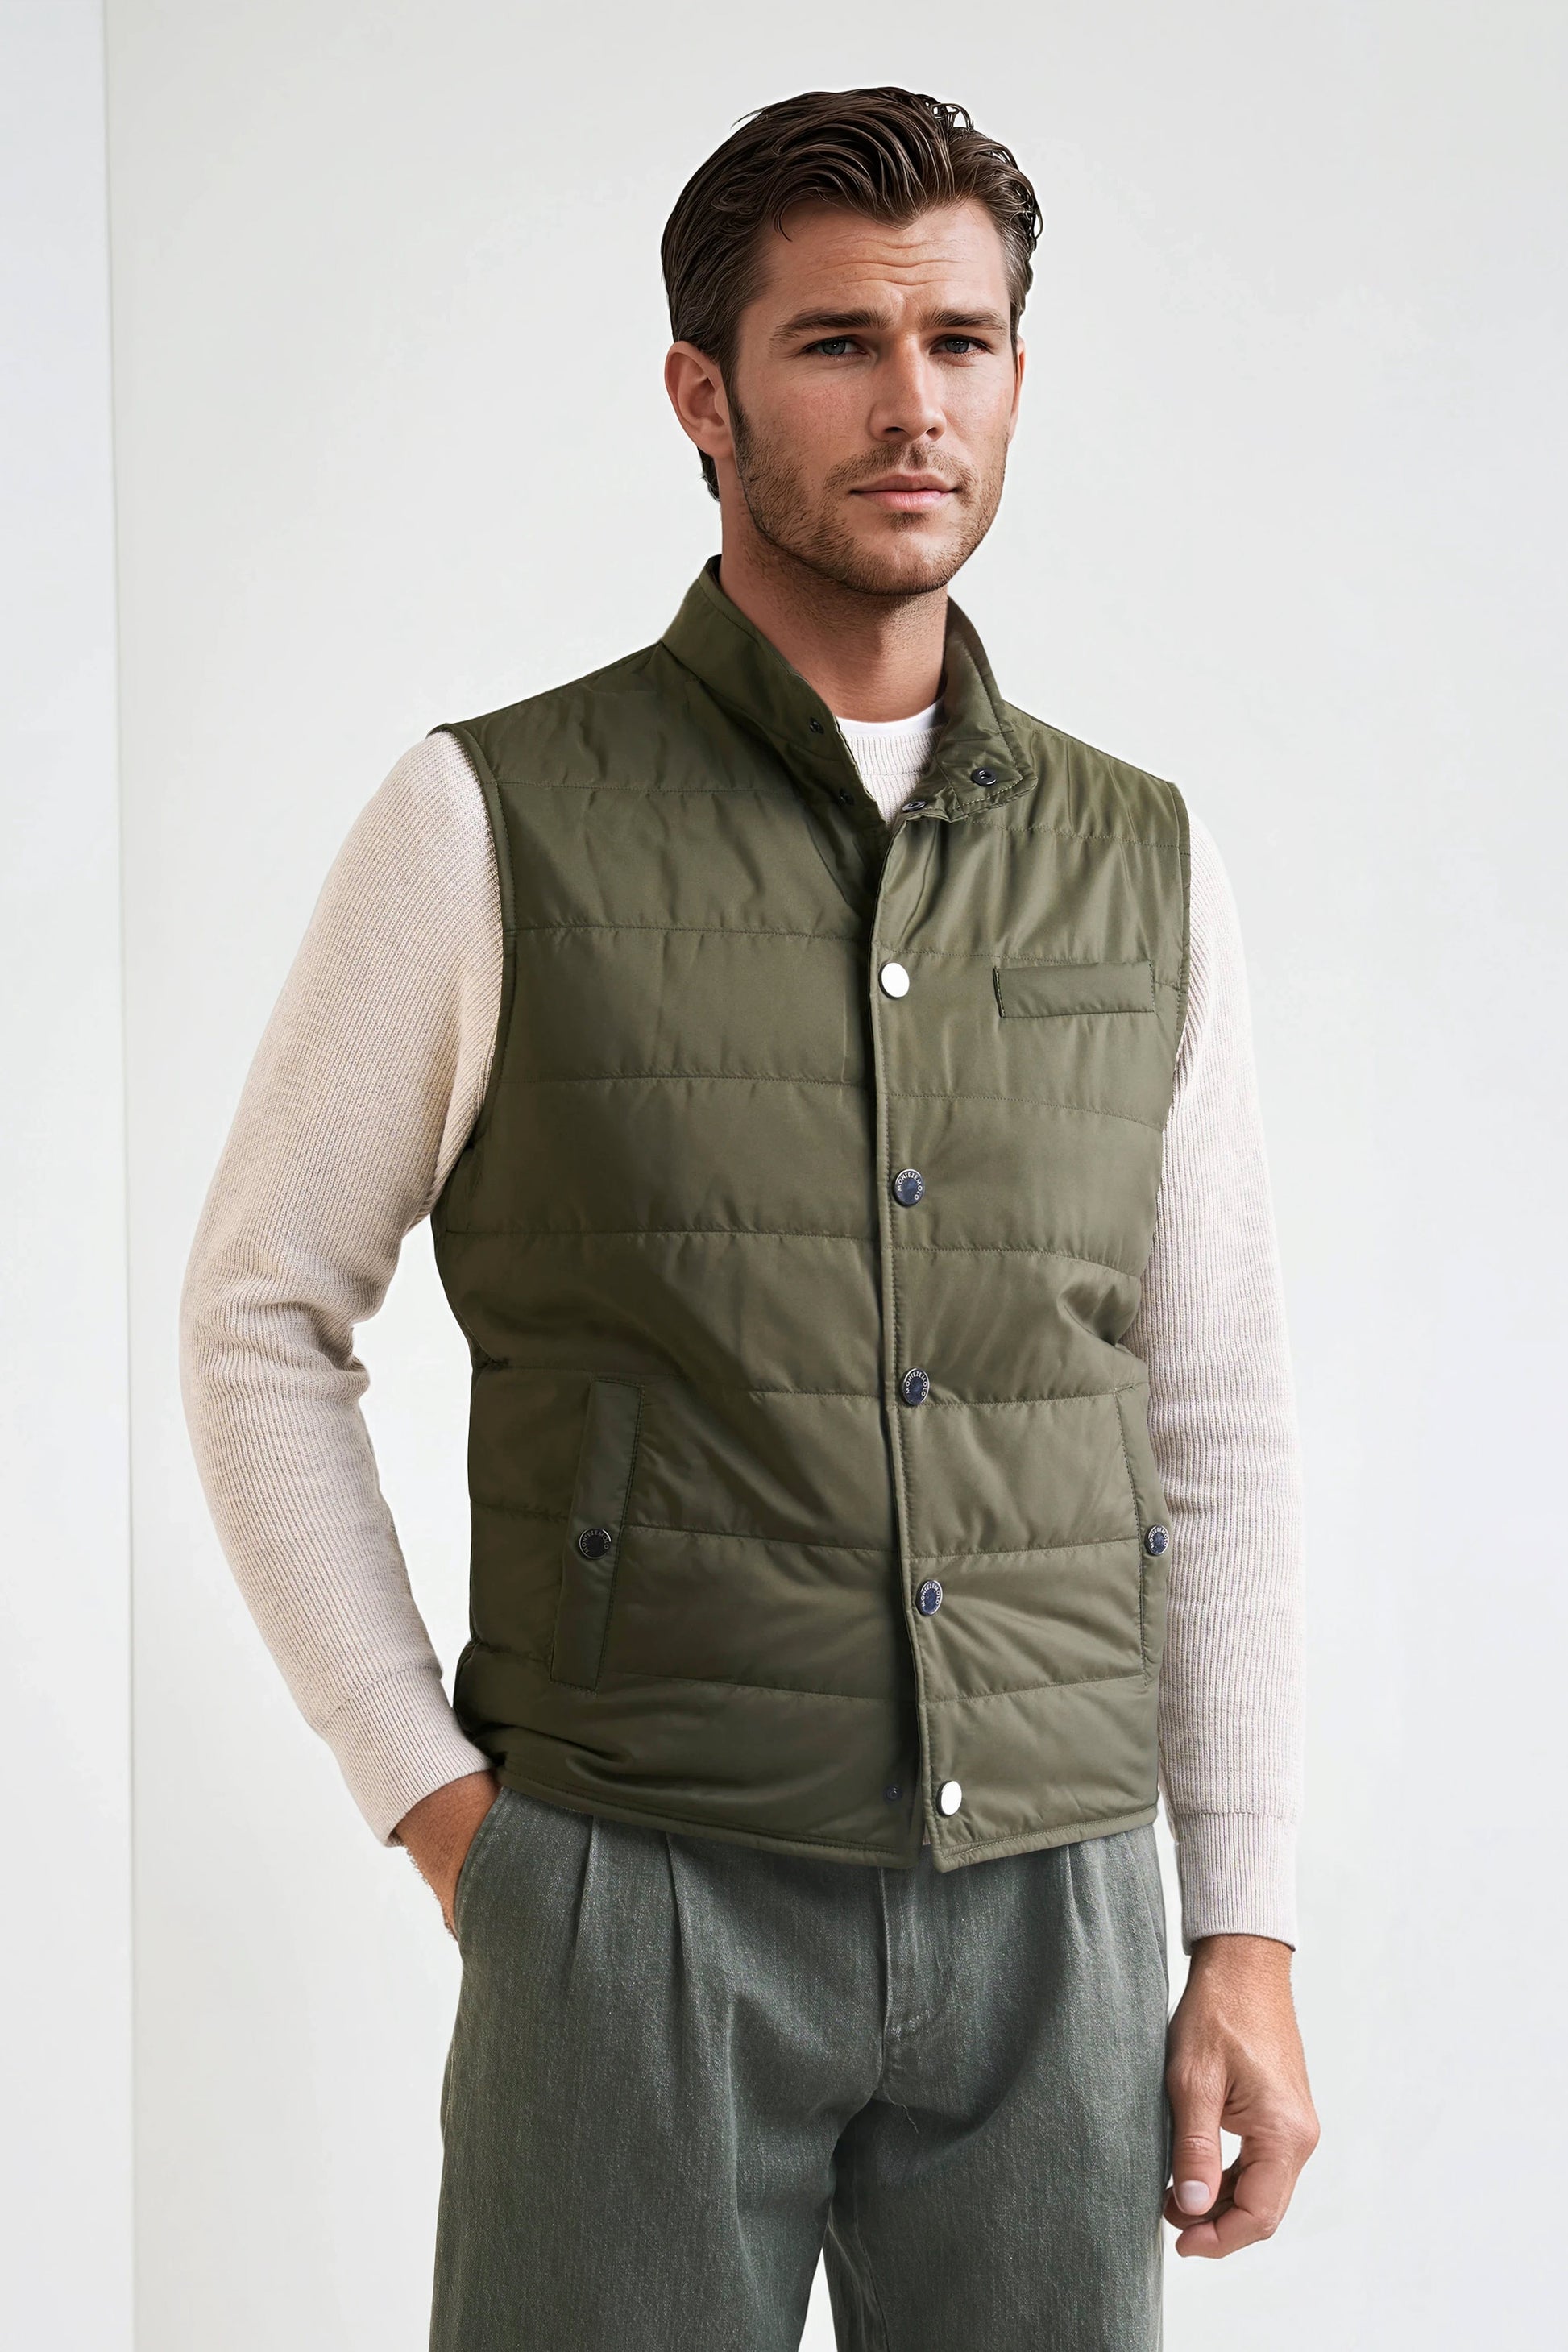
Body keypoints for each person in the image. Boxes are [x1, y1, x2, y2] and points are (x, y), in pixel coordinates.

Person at [180, 84, 1317, 2352]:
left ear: (1015, 374)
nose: (914, 405)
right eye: (837, 344)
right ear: (702, 396)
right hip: (639, 1888)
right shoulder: (488, 815)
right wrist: (443, 1810)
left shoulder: (1139, 858)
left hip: (1058, 1908)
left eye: (961, 341)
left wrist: (1244, 1928)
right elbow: (260, 1313)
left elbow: (1213, 1414)